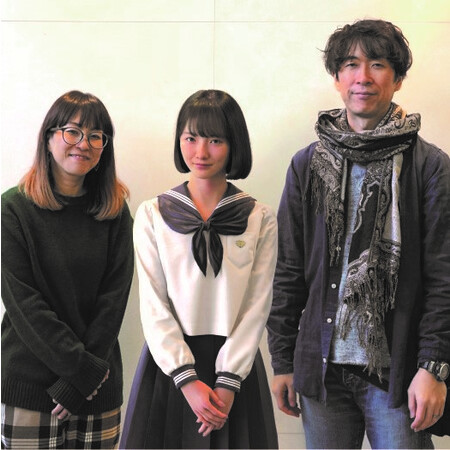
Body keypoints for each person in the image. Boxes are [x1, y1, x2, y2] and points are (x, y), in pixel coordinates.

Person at [267, 19, 449, 449]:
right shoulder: (308, 165)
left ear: (397, 79)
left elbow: (444, 277)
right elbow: (289, 269)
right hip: (322, 368)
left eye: (378, 64)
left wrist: (433, 368)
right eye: (350, 64)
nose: (362, 77)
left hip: (397, 372)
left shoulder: (428, 166)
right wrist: (282, 360)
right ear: (336, 78)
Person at [120, 89, 278, 449]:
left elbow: (258, 304)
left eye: (215, 140)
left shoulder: (259, 217)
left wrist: (228, 380)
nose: (201, 152)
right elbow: (153, 303)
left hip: (236, 370)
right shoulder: (152, 214)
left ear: (234, 144)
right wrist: (187, 379)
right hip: (170, 371)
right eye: (190, 138)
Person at [1, 90, 134, 449]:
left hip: (98, 388)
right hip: (31, 386)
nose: (84, 144)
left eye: (95, 136)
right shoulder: (13, 209)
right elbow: (24, 306)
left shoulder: (115, 212)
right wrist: (80, 372)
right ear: (48, 138)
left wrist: (83, 380)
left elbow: (113, 303)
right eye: (72, 131)